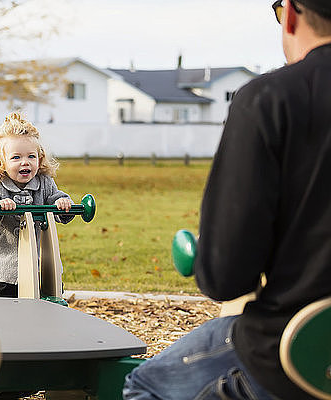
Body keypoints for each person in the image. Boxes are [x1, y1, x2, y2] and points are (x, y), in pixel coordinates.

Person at [123, 1, 331, 399]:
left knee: (144, 384)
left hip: (294, 353)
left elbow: (226, 276)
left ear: (289, 14)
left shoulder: (269, 100)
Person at [0, 111, 73, 298]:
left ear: (40, 158)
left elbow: (55, 198)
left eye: (31, 156)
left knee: (51, 288)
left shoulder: (44, 182)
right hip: (3, 260)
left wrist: (62, 203)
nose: (25, 162)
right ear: (1, 162)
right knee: (9, 295)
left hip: (37, 259)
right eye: (16, 157)